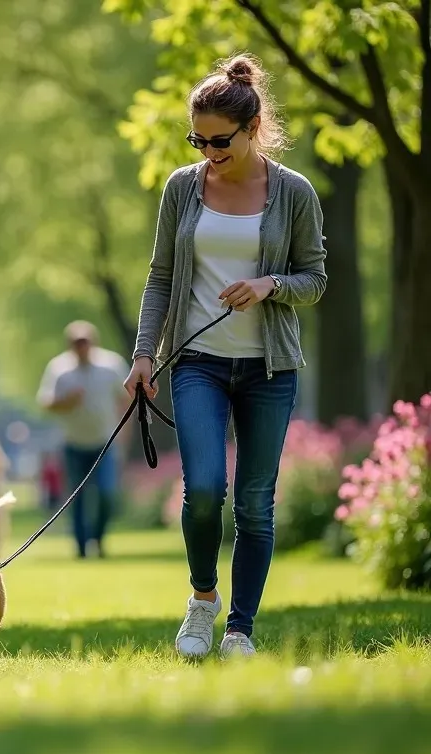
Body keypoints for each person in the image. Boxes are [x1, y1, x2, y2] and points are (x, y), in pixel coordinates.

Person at [124, 53, 327, 659]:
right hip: (197, 362)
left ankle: (240, 628)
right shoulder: (182, 189)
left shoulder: (293, 192)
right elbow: (161, 276)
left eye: (221, 140)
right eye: (199, 139)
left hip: (270, 369)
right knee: (205, 488)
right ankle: (202, 601)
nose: (209, 150)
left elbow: (314, 280)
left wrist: (271, 286)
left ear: (253, 126)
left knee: (256, 504)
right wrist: (142, 355)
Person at [37, 320, 130, 559]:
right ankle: (80, 547)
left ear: (93, 342)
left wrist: (125, 434)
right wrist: (66, 401)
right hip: (73, 444)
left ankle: (98, 539)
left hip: (105, 443)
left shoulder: (112, 365)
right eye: (76, 343)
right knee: (75, 498)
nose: (81, 347)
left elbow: (126, 400)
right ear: (70, 345)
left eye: (85, 342)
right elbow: (46, 403)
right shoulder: (59, 369)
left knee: (107, 494)